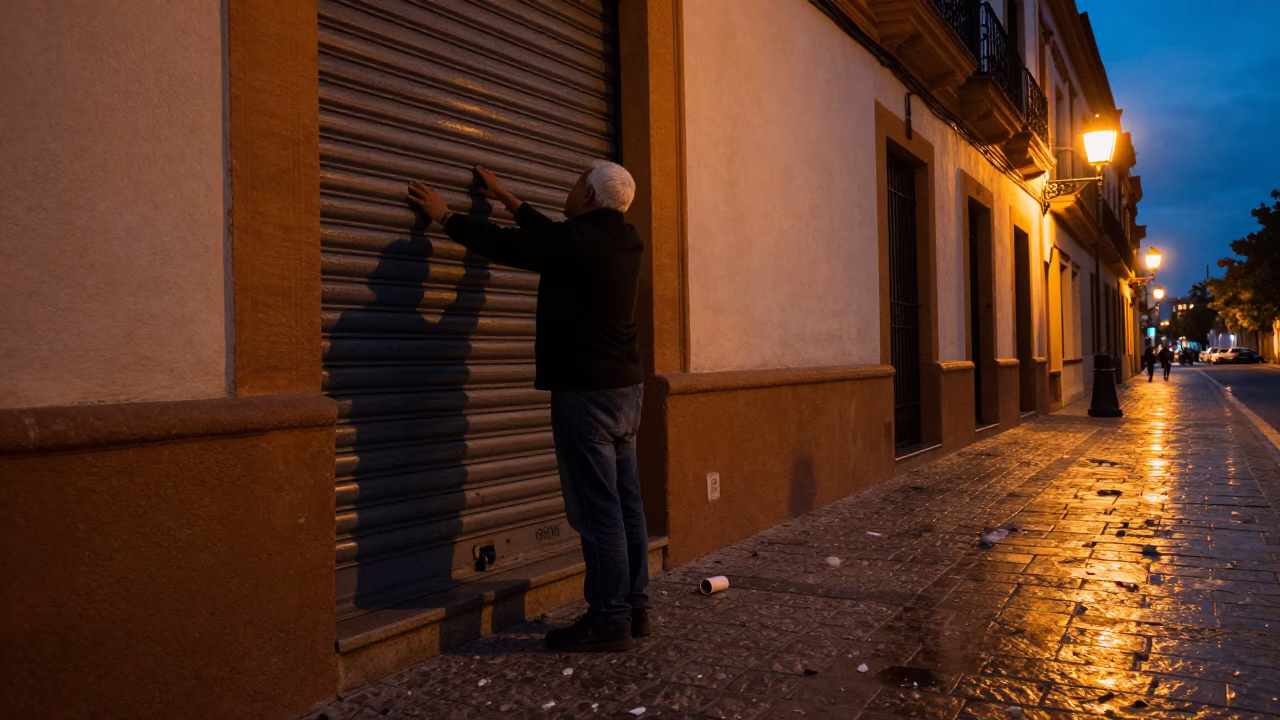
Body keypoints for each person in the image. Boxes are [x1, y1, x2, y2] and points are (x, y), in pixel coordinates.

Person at [407, 162, 647, 653]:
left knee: (598, 512)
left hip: (586, 395)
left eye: (575, 182)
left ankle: (609, 620)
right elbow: (553, 237)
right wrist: (506, 197)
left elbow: (510, 245)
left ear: (589, 196)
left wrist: (446, 217)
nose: (569, 187)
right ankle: (634, 607)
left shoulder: (576, 242)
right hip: (625, 390)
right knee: (627, 506)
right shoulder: (624, 238)